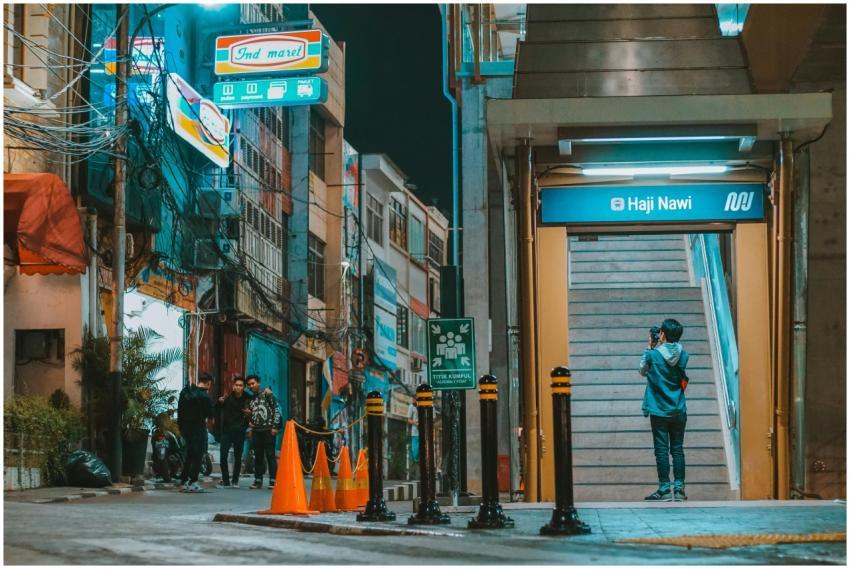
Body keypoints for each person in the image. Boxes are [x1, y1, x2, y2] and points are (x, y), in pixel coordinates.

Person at [639, 318, 690, 502]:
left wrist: (650, 347)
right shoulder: (684, 355)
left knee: (661, 450)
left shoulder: (652, 355)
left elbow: (642, 371)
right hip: (678, 408)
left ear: (663, 334)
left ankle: (664, 489)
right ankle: (679, 489)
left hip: (659, 410)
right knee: (677, 449)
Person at [177, 373, 214, 493]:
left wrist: (181, 428)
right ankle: (193, 482)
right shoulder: (204, 396)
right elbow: (210, 413)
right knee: (198, 455)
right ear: (208, 383)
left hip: (186, 428)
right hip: (198, 428)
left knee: (189, 454)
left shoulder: (184, 392)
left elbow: (180, 411)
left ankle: (183, 481)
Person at [214, 376, 252, 488]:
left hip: (240, 431)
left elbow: (254, 413)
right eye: (236, 385)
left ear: (244, 387)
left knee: (237, 456)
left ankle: (235, 481)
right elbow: (216, 410)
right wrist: (219, 402)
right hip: (227, 431)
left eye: (240, 385)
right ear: (233, 385)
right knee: (223, 456)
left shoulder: (248, 399)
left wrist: (249, 415)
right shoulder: (227, 398)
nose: (238, 387)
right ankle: (226, 480)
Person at [246, 375, 281, 489]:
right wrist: (250, 428)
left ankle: (273, 481)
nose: (251, 386)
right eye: (249, 384)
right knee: (258, 456)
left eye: (253, 383)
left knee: (270, 455)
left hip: (268, 430)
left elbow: (276, 409)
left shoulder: (267, 394)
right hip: (256, 431)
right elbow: (251, 415)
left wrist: (275, 426)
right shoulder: (251, 399)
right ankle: (258, 480)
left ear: (258, 383)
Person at [407, 400, 419, 478]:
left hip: (425, 433)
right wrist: (416, 423)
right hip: (415, 433)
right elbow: (409, 419)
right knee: (415, 452)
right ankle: (413, 473)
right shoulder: (412, 406)